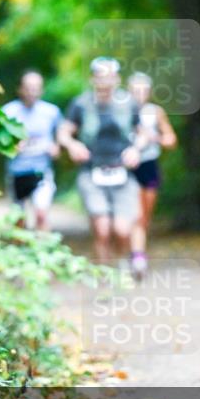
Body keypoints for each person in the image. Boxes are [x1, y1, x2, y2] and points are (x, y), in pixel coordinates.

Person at [58, 57, 148, 268]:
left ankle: (122, 262)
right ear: (93, 79)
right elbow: (63, 132)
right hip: (92, 173)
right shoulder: (80, 104)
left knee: (122, 229)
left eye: (109, 76)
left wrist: (136, 149)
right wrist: (72, 145)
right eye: (100, 76)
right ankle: (105, 275)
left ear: (117, 79)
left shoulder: (129, 103)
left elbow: (143, 133)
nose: (105, 81)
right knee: (102, 229)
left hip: (122, 174)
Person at [127, 72, 178, 271]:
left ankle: (137, 252)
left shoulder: (155, 112)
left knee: (144, 215)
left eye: (143, 91)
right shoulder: (119, 111)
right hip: (126, 168)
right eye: (135, 91)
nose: (139, 94)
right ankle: (135, 254)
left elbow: (171, 140)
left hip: (148, 165)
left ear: (149, 93)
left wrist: (152, 137)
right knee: (131, 214)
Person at [2, 70, 61, 231]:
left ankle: (44, 251)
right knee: (19, 219)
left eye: (36, 87)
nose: (32, 92)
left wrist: (56, 148)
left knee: (41, 214)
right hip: (16, 172)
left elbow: (61, 137)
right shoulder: (7, 112)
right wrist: (11, 146)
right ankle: (20, 252)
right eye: (28, 87)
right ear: (20, 89)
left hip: (42, 171)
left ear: (42, 89)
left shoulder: (52, 112)